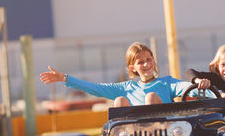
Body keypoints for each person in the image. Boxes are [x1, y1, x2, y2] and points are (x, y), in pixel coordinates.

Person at [40, 42, 191, 107]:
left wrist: (202, 84)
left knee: (151, 97)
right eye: (140, 62)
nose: (146, 64)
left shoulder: (167, 82)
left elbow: (187, 86)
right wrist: (65, 78)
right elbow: (95, 88)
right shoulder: (127, 87)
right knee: (119, 101)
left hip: (165, 134)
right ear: (132, 68)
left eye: (149, 59)